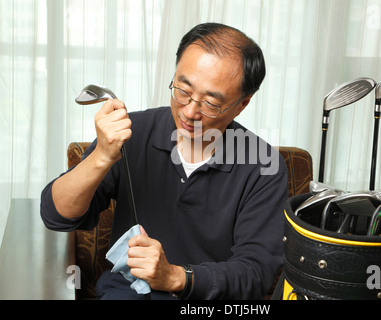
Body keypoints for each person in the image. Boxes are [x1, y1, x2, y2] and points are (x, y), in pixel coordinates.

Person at [41, 22, 288, 300]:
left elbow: (256, 274)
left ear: (243, 103)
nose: (190, 111)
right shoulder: (133, 132)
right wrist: (100, 157)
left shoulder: (265, 166)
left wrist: (174, 276)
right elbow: (56, 215)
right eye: (182, 90)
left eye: (210, 103)